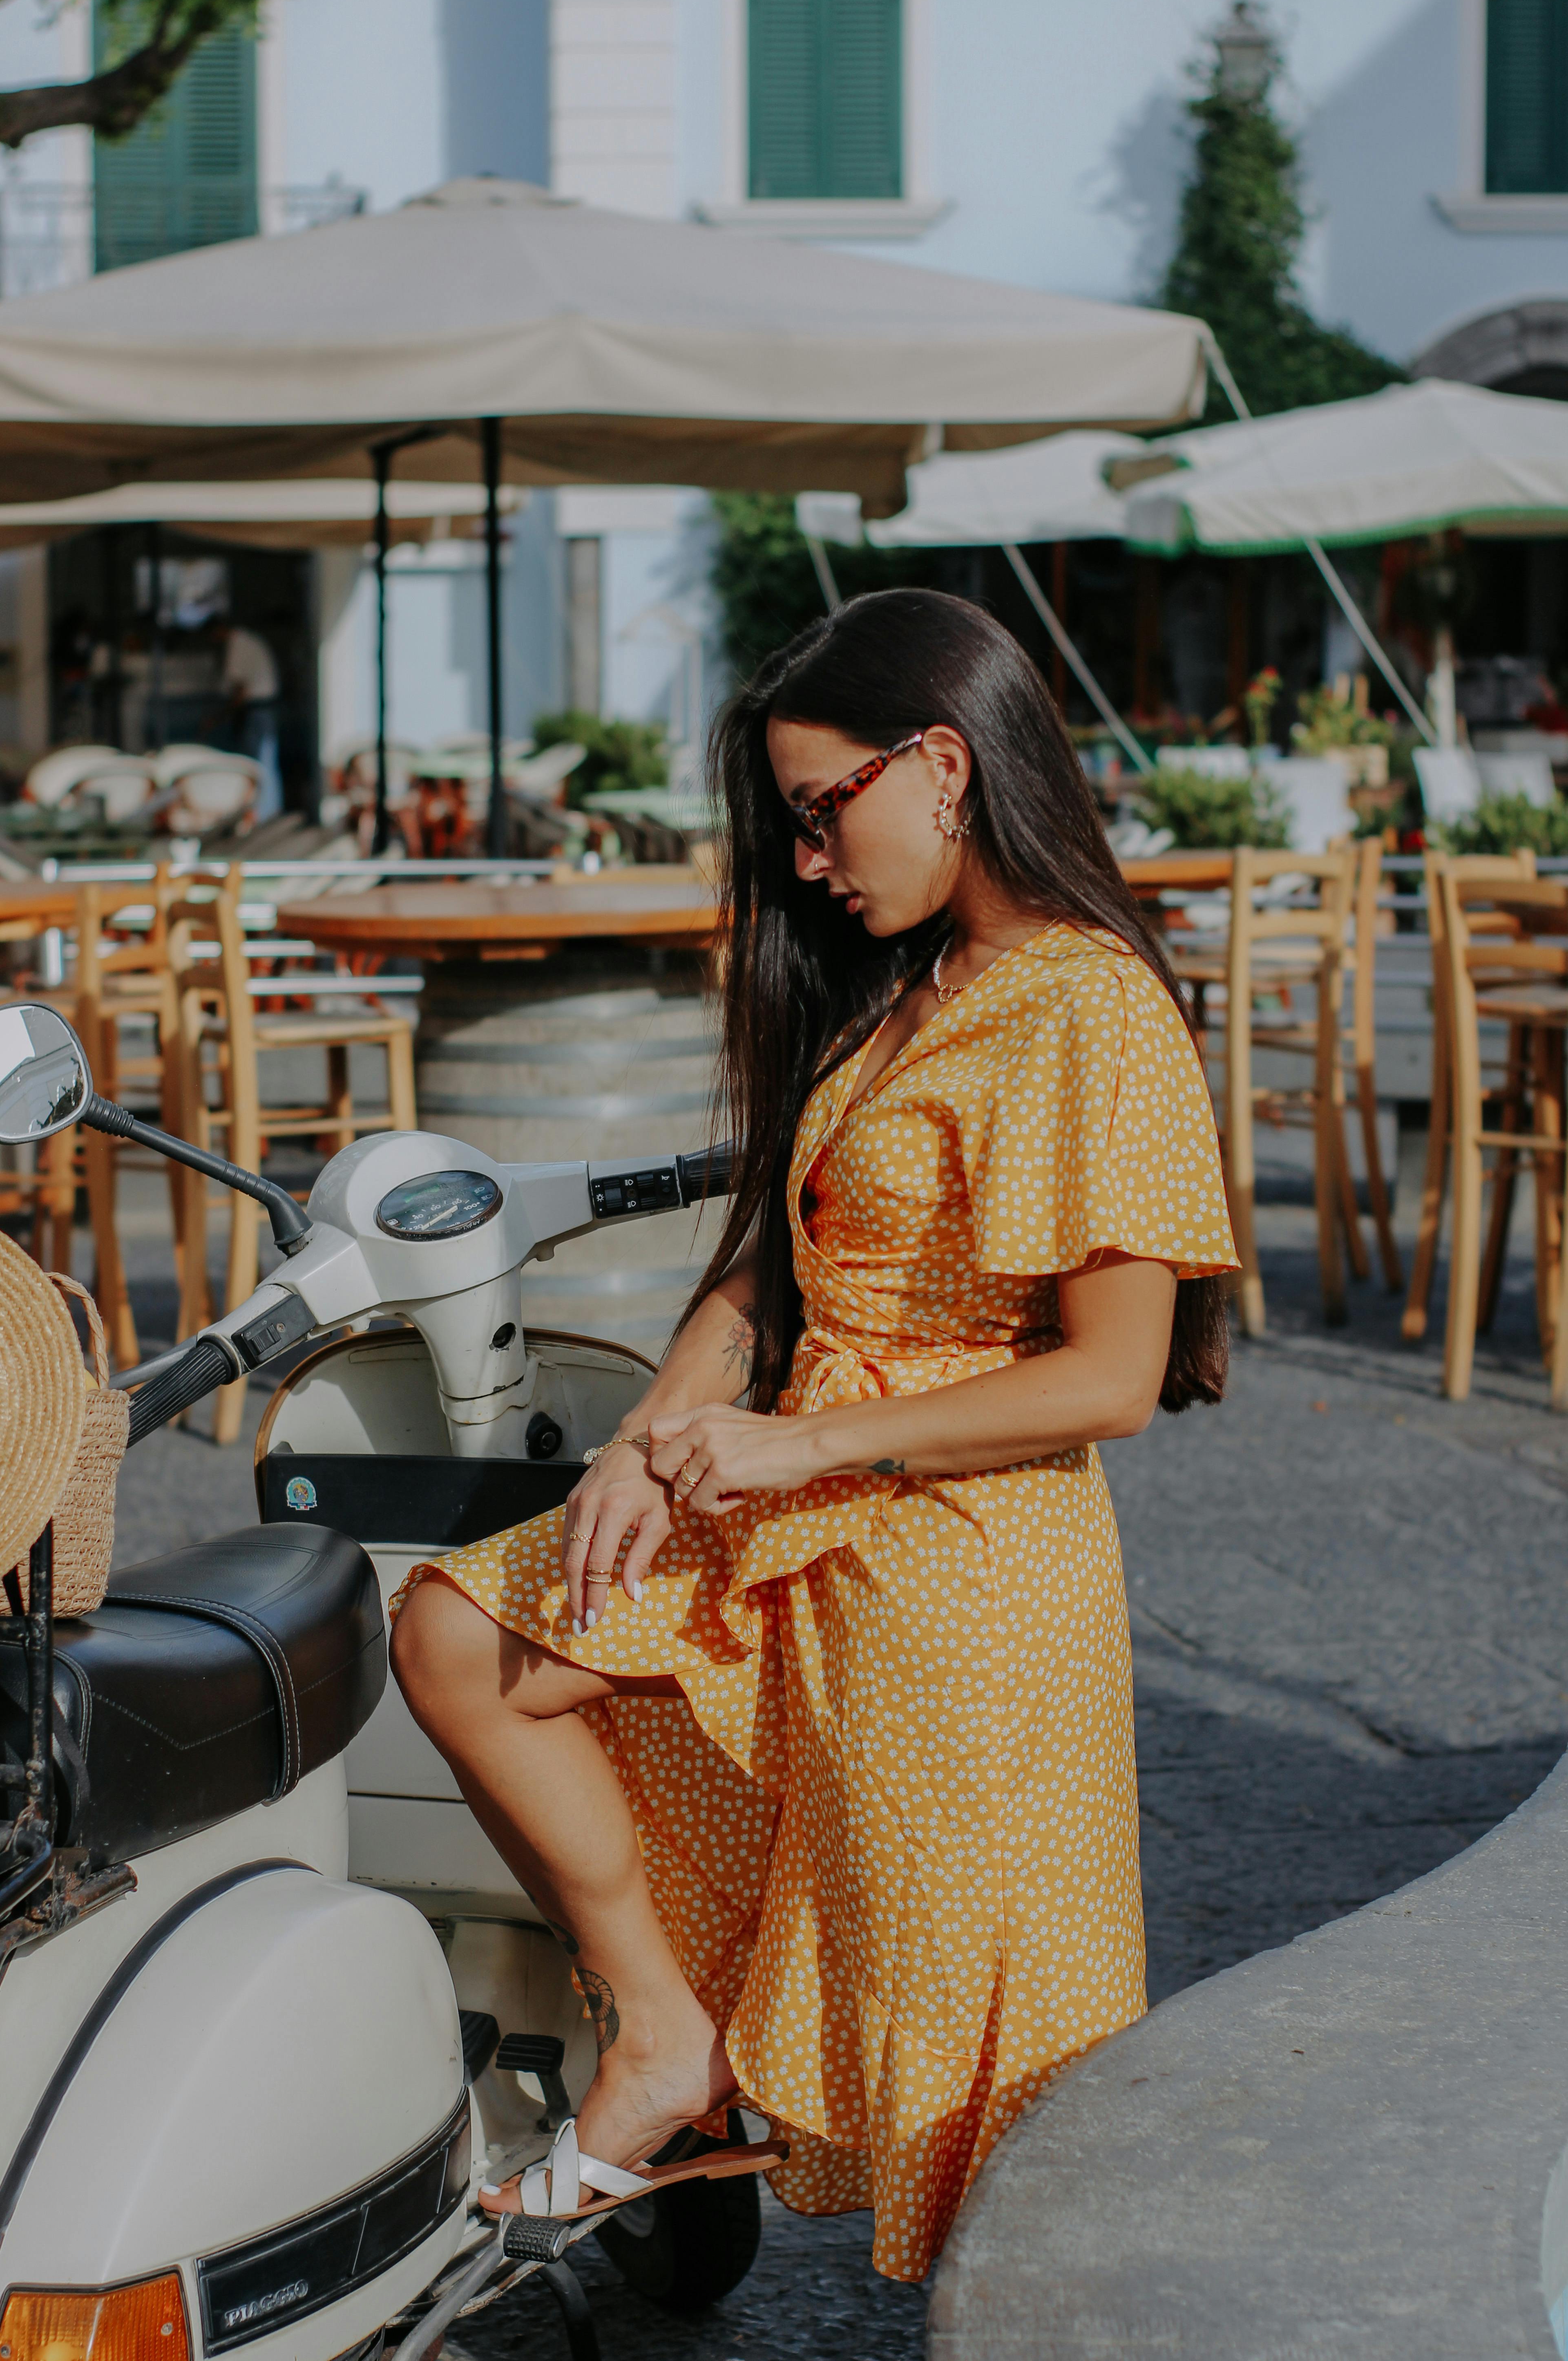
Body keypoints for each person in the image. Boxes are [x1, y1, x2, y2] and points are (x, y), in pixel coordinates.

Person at [389, 590, 1239, 2278]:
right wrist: (652, 1433)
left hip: (960, 1566)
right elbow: (772, 1267)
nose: (798, 861)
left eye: (814, 808)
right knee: (460, 1628)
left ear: (939, 764)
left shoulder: (1088, 1005)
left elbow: (1110, 1378)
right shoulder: (913, 984)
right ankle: (666, 2033)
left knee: (979, 2066)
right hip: (804, 1506)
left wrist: (798, 1450)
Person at [217, 613, 283, 820]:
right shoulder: (248, 641)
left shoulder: (239, 644)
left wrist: (221, 716)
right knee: (265, 762)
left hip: (257, 710)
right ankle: (265, 813)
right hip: (263, 709)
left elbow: (241, 689)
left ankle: (261, 816)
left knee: (255, 767)